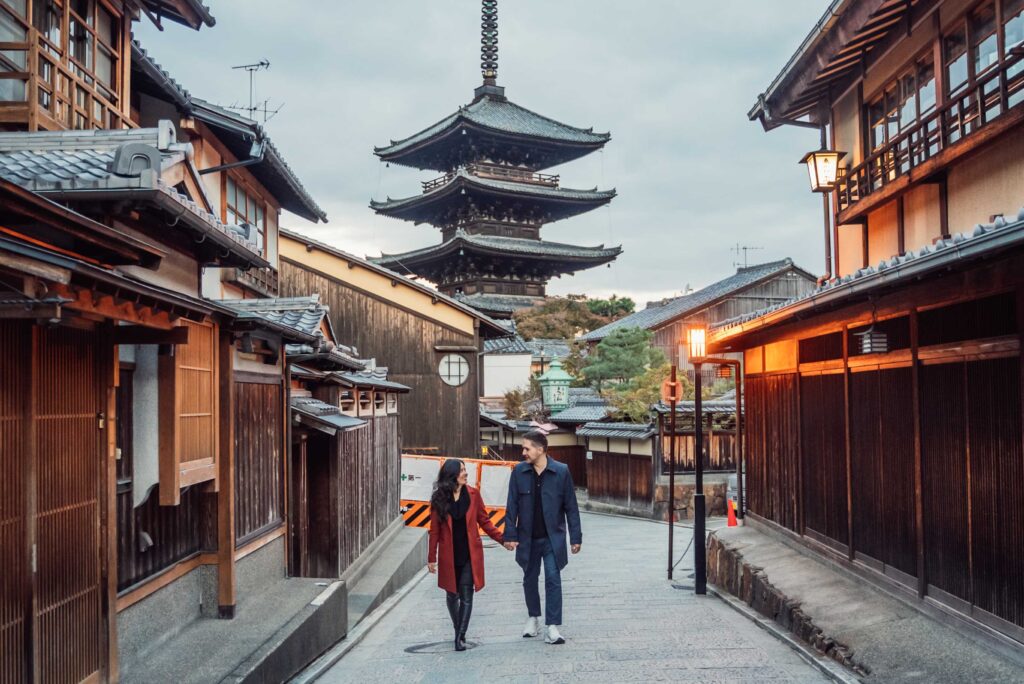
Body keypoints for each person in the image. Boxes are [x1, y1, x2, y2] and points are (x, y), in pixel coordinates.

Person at [503, 430, 582, 645]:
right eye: (523, 448)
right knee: (529, 578)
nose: (523, 452)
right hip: (527, 537)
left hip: (552, 537)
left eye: (527, 448)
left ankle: (552, 626)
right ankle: (533, 617)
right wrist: (509, 535)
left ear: (541, 449)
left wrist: (576, 537)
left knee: (553, 579)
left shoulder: (561, 471)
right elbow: (512, 505)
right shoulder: (518, 472)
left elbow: (571, 507)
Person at [427, 459, 505, 651]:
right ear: (452, 475)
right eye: (462, 470)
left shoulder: (473, 494)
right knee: (452, 595)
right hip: (449, 555)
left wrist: (503, 540)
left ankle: (460, 636)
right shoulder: (439, 499)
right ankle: (457, 627)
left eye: (465, 470)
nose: (465, 473)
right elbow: (434, 531)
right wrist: (431, 558)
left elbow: (485, 522)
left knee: (466, 595)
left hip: (470, 554)